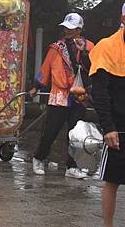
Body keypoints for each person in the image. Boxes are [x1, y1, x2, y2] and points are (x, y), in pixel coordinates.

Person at [29, 13, 94, 178]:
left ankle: (72, 166)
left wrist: (84, 52)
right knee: (51, 130)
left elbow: (94, 68)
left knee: (75, 134)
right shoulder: (56, 48)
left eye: (71, 28)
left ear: (79, 30)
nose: (67, 31)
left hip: (79, 95)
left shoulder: (90, 47)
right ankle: (39, 157)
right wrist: (37, 86)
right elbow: (46, 68)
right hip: (59, 94)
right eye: (65, 28)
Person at [89, 4, 125, 227]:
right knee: (112, 181)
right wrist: (108, 127)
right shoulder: (106, 47)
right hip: (118, 127)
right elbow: (100, 94)